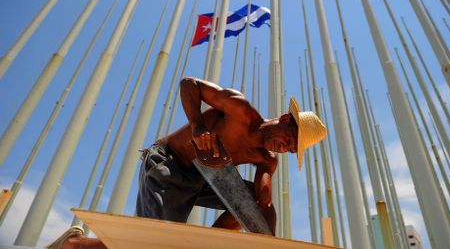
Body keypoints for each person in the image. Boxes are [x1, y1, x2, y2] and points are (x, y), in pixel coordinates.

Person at [44, 77, 327, 249]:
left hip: (202, 179)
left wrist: (269, 241)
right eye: (290, 139)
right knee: (153, 246)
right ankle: (73, 244)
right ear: (286, 119)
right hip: (169, 164)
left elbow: (262, 204)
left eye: (291, 149)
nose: (285, 147)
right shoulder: (240, 110)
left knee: (253, 203)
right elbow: (189, 83)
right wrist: (197, 127)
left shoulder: (266, 160)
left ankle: (209, 244)